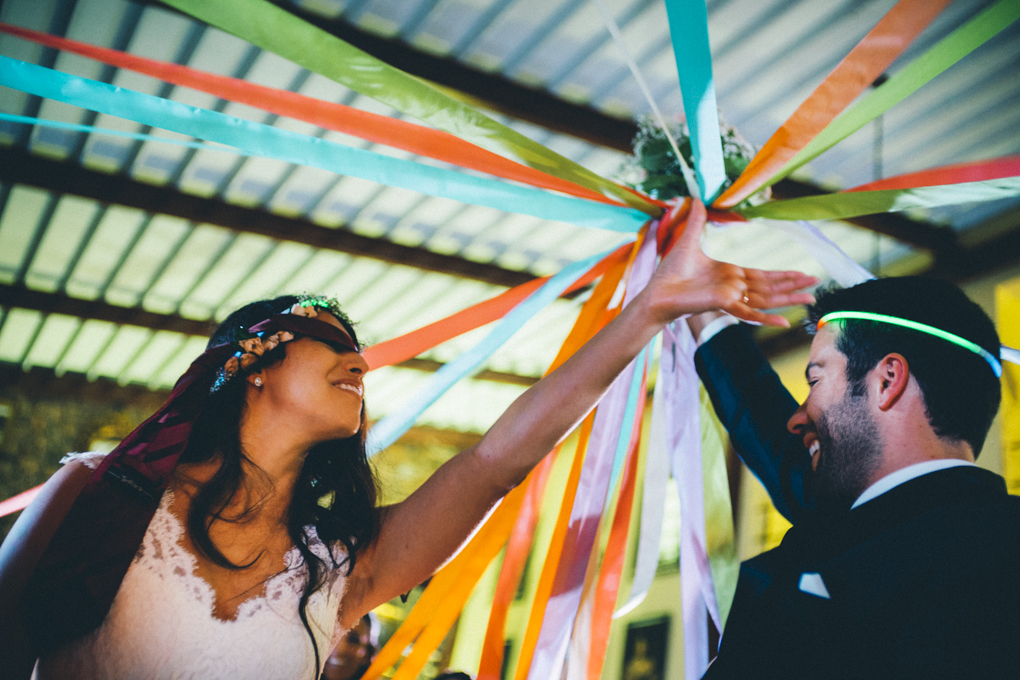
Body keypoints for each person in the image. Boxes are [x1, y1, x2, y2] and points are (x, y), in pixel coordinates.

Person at [0, 200, 816, 680]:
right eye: (332, 337)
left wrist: (648, 313)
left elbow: (496, 461)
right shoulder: (99, 494)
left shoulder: (337, 571)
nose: (360, 359)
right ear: (251, 361)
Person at [687, 277, 1020, 679]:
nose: (796, 418)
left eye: (815, 380)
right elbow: (765, 425)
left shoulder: (992, 567)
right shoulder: (850, 511)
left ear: (886, 380)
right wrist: (698, 298)